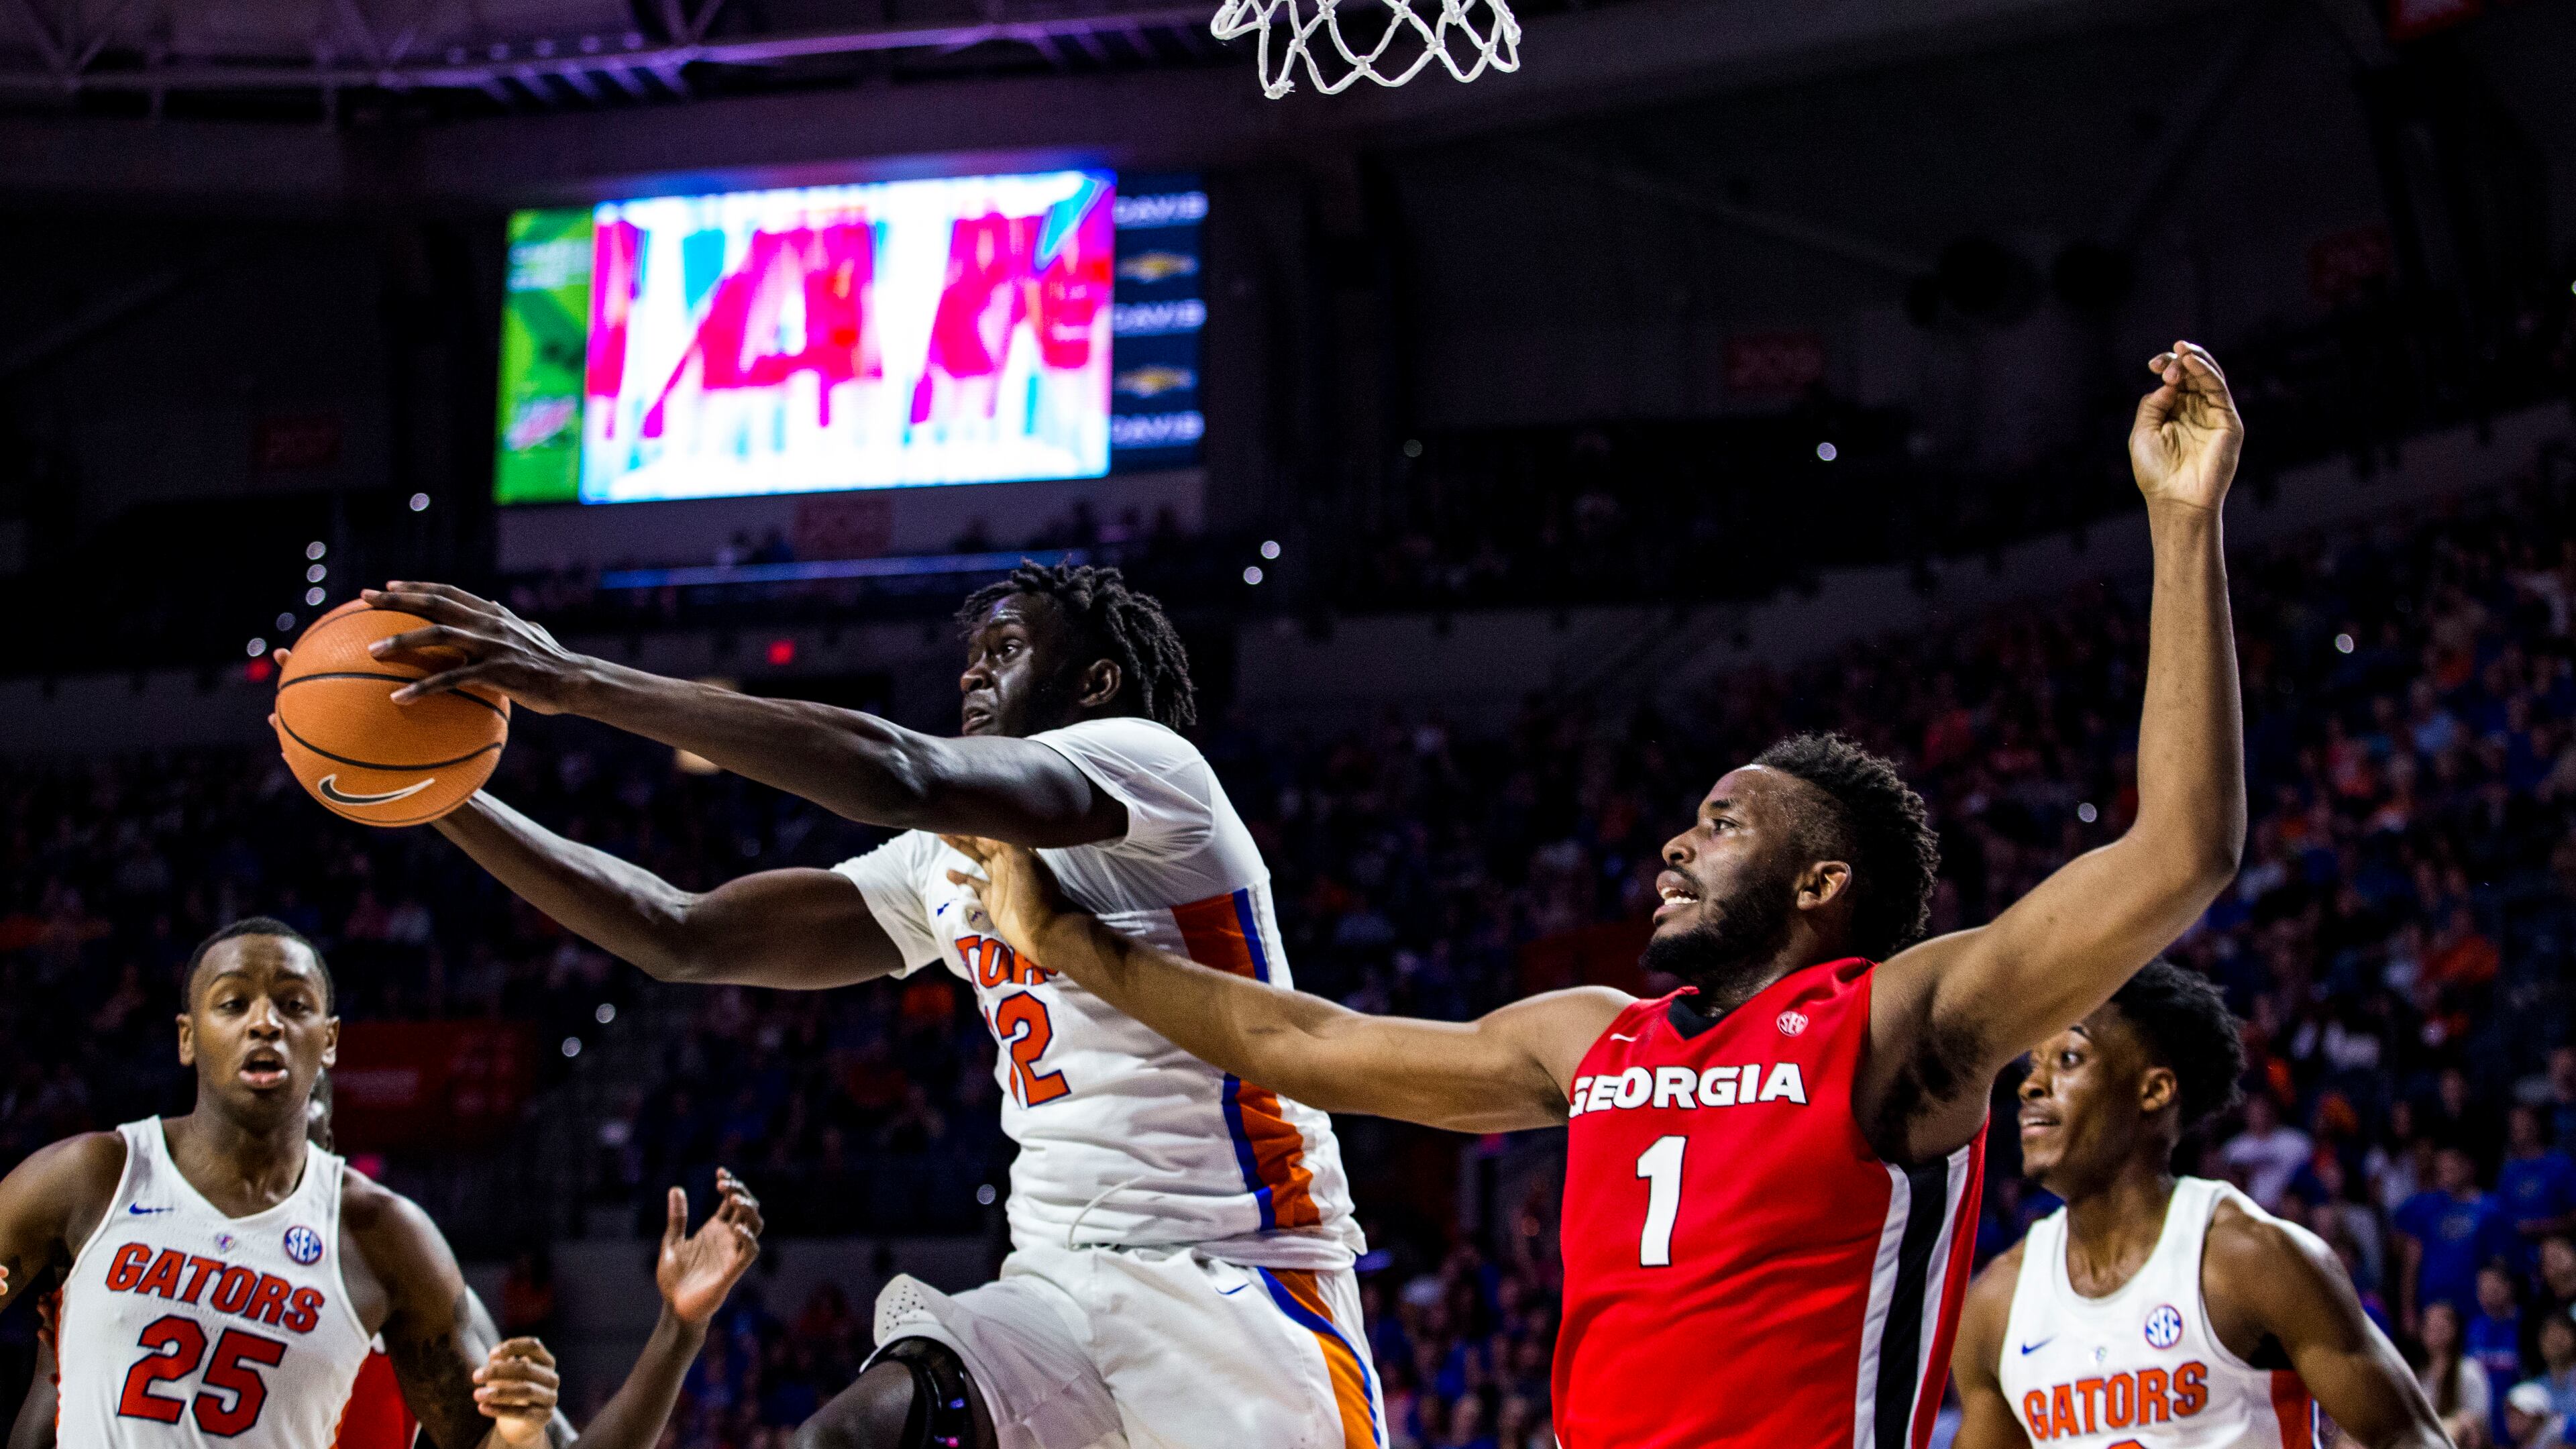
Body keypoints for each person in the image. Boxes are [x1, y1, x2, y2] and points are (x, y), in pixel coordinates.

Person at [936, 343, 2252, 1449]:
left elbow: (2178, 851)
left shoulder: (1902, 1021)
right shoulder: (1594, 1036)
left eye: (1724, 825)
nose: (1677, 846)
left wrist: (2183, 527)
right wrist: (1069, 947)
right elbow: (1301, 1043)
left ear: (1823, 882)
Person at [327, 562, 1373, 1449]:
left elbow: (899, 771)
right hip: (1052, 1289)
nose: (972, 669)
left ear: (1096, 683)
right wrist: (439, 793)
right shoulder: (938, 862)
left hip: (1239, 1284)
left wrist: (574, 679)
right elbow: (679, 935)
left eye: (1006, 650)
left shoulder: (1153, 774)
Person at [0, 918, 764, 1449]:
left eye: (293, 1007)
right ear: (187, 1036)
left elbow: (521, 1446)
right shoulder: (91, 1180)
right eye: (235, 1003)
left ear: (329, 1048)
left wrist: (676, 1330)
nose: (265, 1023)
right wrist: (54, 1364)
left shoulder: (385, 1242)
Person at [1947, 960, 2446, 1448]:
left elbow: (2409, 1437)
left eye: (2070, 1059)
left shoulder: (2249, 1259)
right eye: (2033, 1064)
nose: (2031, 1086)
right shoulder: (1997, 1304)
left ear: (2154, 1090)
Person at [2397, 1148, 2512, 1333]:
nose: (2446, 1173)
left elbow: (2499, 1263)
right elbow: (2412, 1262)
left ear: (2469, 1167)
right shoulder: (2426, 1207)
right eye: (2442, 1168)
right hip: (2433, 1306)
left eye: (2452, 1167)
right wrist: (2408, 1311)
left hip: (2476, 1307)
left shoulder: (2491, 1209)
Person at [2501, 1108, 2576, 1272]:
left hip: (2558, 1256)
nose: (2519, 1128)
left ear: (2537, 1125)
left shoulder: (2560, 1164)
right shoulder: (2509, 1171)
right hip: (2518, 1261)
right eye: (2514, 1124)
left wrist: (2540, 1228)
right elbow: (2503, 1217)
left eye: (2524, 1122)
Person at [2421, 1301, 2497, 1449]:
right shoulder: (2420, 1373)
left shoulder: (2469, 1370)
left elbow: (2479, 1420)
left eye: (2441, 1327)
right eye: (2430, 1327)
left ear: (2454, 1329)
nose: (2435, 1332)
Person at [2219, 1095, 2314, 1212]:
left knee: (2294, 1205)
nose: (2261, 1115)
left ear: (2274, 1111)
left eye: (2264, 1110)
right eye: (2255, 1111)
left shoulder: (2297, 1142)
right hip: (2248, 1208)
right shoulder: (2234, 1148)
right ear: (2246, 1114)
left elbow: (2310, 1178)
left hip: (2288, 1207)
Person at [2504, 1381, 2565, 1449]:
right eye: (2509, 1413)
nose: (2511, 1420)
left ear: (2538, 1418)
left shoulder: (2558, 1445)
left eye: (2520, 1414)